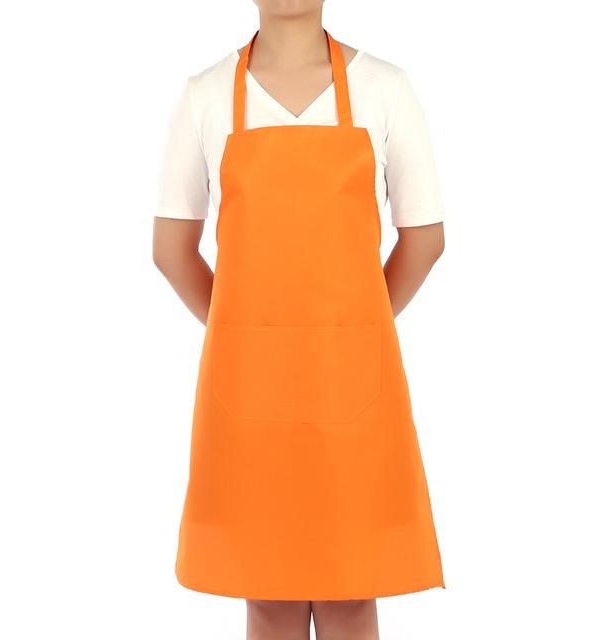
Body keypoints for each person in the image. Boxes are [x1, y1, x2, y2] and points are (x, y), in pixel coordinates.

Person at [153, 1, 446, 638]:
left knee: (351, 595)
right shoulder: (205, 95)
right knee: (268, 598)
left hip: (354, 395)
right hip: (250, 396)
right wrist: (242, 336)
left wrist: (357, 331)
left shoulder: (385, 88)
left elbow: (425, 238)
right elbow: (171, 249)